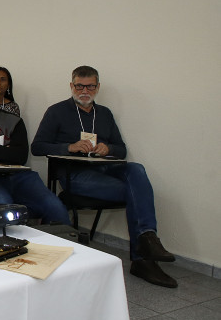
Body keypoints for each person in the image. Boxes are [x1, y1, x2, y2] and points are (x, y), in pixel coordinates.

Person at [31, 66, 176, 287]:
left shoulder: (105, 113)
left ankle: (147, 238)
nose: (84, 91)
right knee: (137, 192)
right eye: (79, 86)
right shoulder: (57, 111)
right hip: (75, 175)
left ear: (98, 87)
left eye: (90, 86)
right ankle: (143, 256)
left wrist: (108, 149)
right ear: (72, 86)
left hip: (104, 169)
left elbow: (121, 149)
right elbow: (37, 147)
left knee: (136, 169)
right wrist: (69, 146)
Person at [0, 75, 69, 225]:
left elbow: (20, 156)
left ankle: (58, 246)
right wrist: (5, 152)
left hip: (18, 175)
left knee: (55, 207)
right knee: (4, 205)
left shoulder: (14, 121)